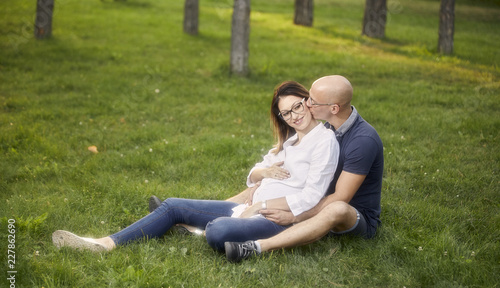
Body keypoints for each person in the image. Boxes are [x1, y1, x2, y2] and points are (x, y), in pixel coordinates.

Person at [52, 81, 339, 253]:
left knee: (218, 231)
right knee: (173, 205)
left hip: (275, 218)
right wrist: (263, 174)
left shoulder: (323, 141)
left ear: (308, 102)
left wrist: (262, 205)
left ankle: (200, 229)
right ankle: (105, 244)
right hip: (249, 209)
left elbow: (312, 196)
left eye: (297, 107)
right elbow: (252, 177)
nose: (293, 116)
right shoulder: (289, 143)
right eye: (285, 112)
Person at [223, 75, 384, 262]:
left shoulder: (362, 141)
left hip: (353, 214)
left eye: (313, 101)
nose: (307, 104)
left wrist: (294, 216)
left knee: (337, 209)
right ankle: (214, 215)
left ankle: (257, 247)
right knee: (257, 187)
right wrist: (265, 180)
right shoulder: (329, 126)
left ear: (333, 108)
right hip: (319, 197)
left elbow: (341, 197)